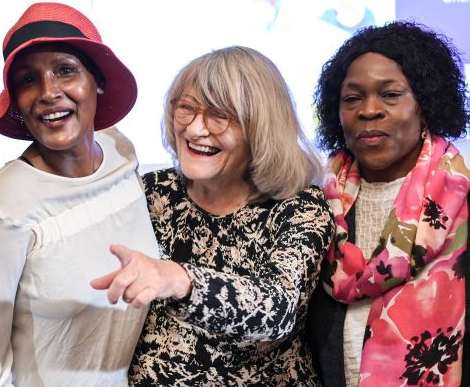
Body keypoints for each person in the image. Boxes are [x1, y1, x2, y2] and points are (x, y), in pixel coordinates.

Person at [0, 2, 160, 386]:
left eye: (65, 70)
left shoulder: (121, 154)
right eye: (29, 79)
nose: (48, 92)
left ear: (97, 81)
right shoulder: (2, 211)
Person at [91, 46, 334, 386]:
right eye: (186, 109)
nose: (194, 130)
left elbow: (278, 310)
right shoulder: (151, 192)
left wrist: (178, 279)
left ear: (261, 127)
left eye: (219, 116)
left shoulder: (299, 207)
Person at [306, 21, 470, 386]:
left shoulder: (463, 203)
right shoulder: (312, 203)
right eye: (352, 98)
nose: (369, 110)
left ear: (425, 106)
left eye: (390, 95)